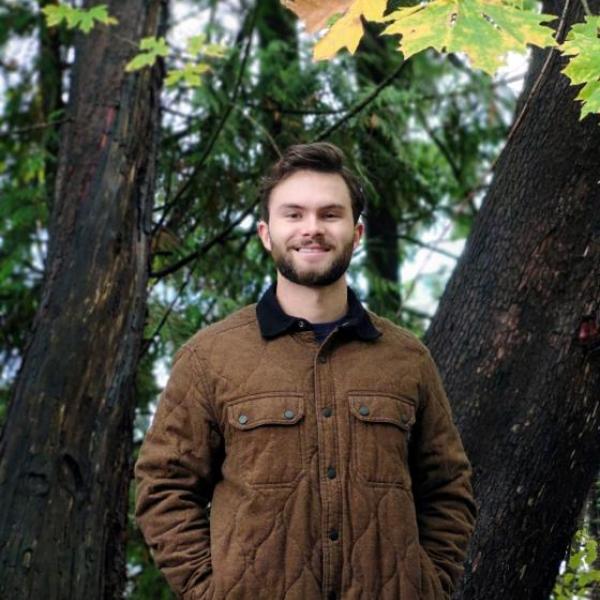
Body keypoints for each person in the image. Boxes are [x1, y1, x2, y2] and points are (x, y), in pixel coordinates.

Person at [134, 142, 477, 600]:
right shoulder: (209, 358)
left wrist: (427, 585)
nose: (311, 229)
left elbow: (449, 487)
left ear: (355, 234)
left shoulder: (406, 358)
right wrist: (209, 591)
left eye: (329, 214)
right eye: (293, 215)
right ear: (265, 233)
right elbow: (164, 488)